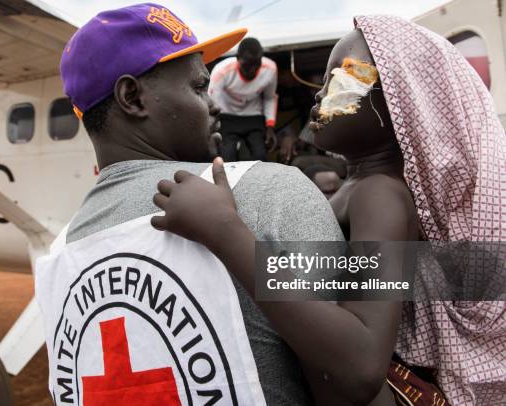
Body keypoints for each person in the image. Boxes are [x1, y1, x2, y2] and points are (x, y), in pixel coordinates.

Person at [152, 16, 506, 406]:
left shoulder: (380, 195)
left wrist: (224, 230)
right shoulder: (354, 189)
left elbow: (362, 363)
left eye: (340, 79)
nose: (319, 96)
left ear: (400, 103)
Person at [35, 3, 344, 405]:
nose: (214, 104)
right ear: (132, 97)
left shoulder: (57, 257)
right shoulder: (270, 192)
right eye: (199, 88)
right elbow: (357, 364)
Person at [209, 37, 278, 161]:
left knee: (260, 156)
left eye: (257, 65)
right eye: (247, 65)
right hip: (226, 116)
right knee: (227, 156)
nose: (252, 70)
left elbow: (269, 98)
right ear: (237, 59)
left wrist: (270, 127)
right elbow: (213, 104)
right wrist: (213, 129)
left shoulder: (270, 69)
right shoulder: (221, 71)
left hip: (253, 116)